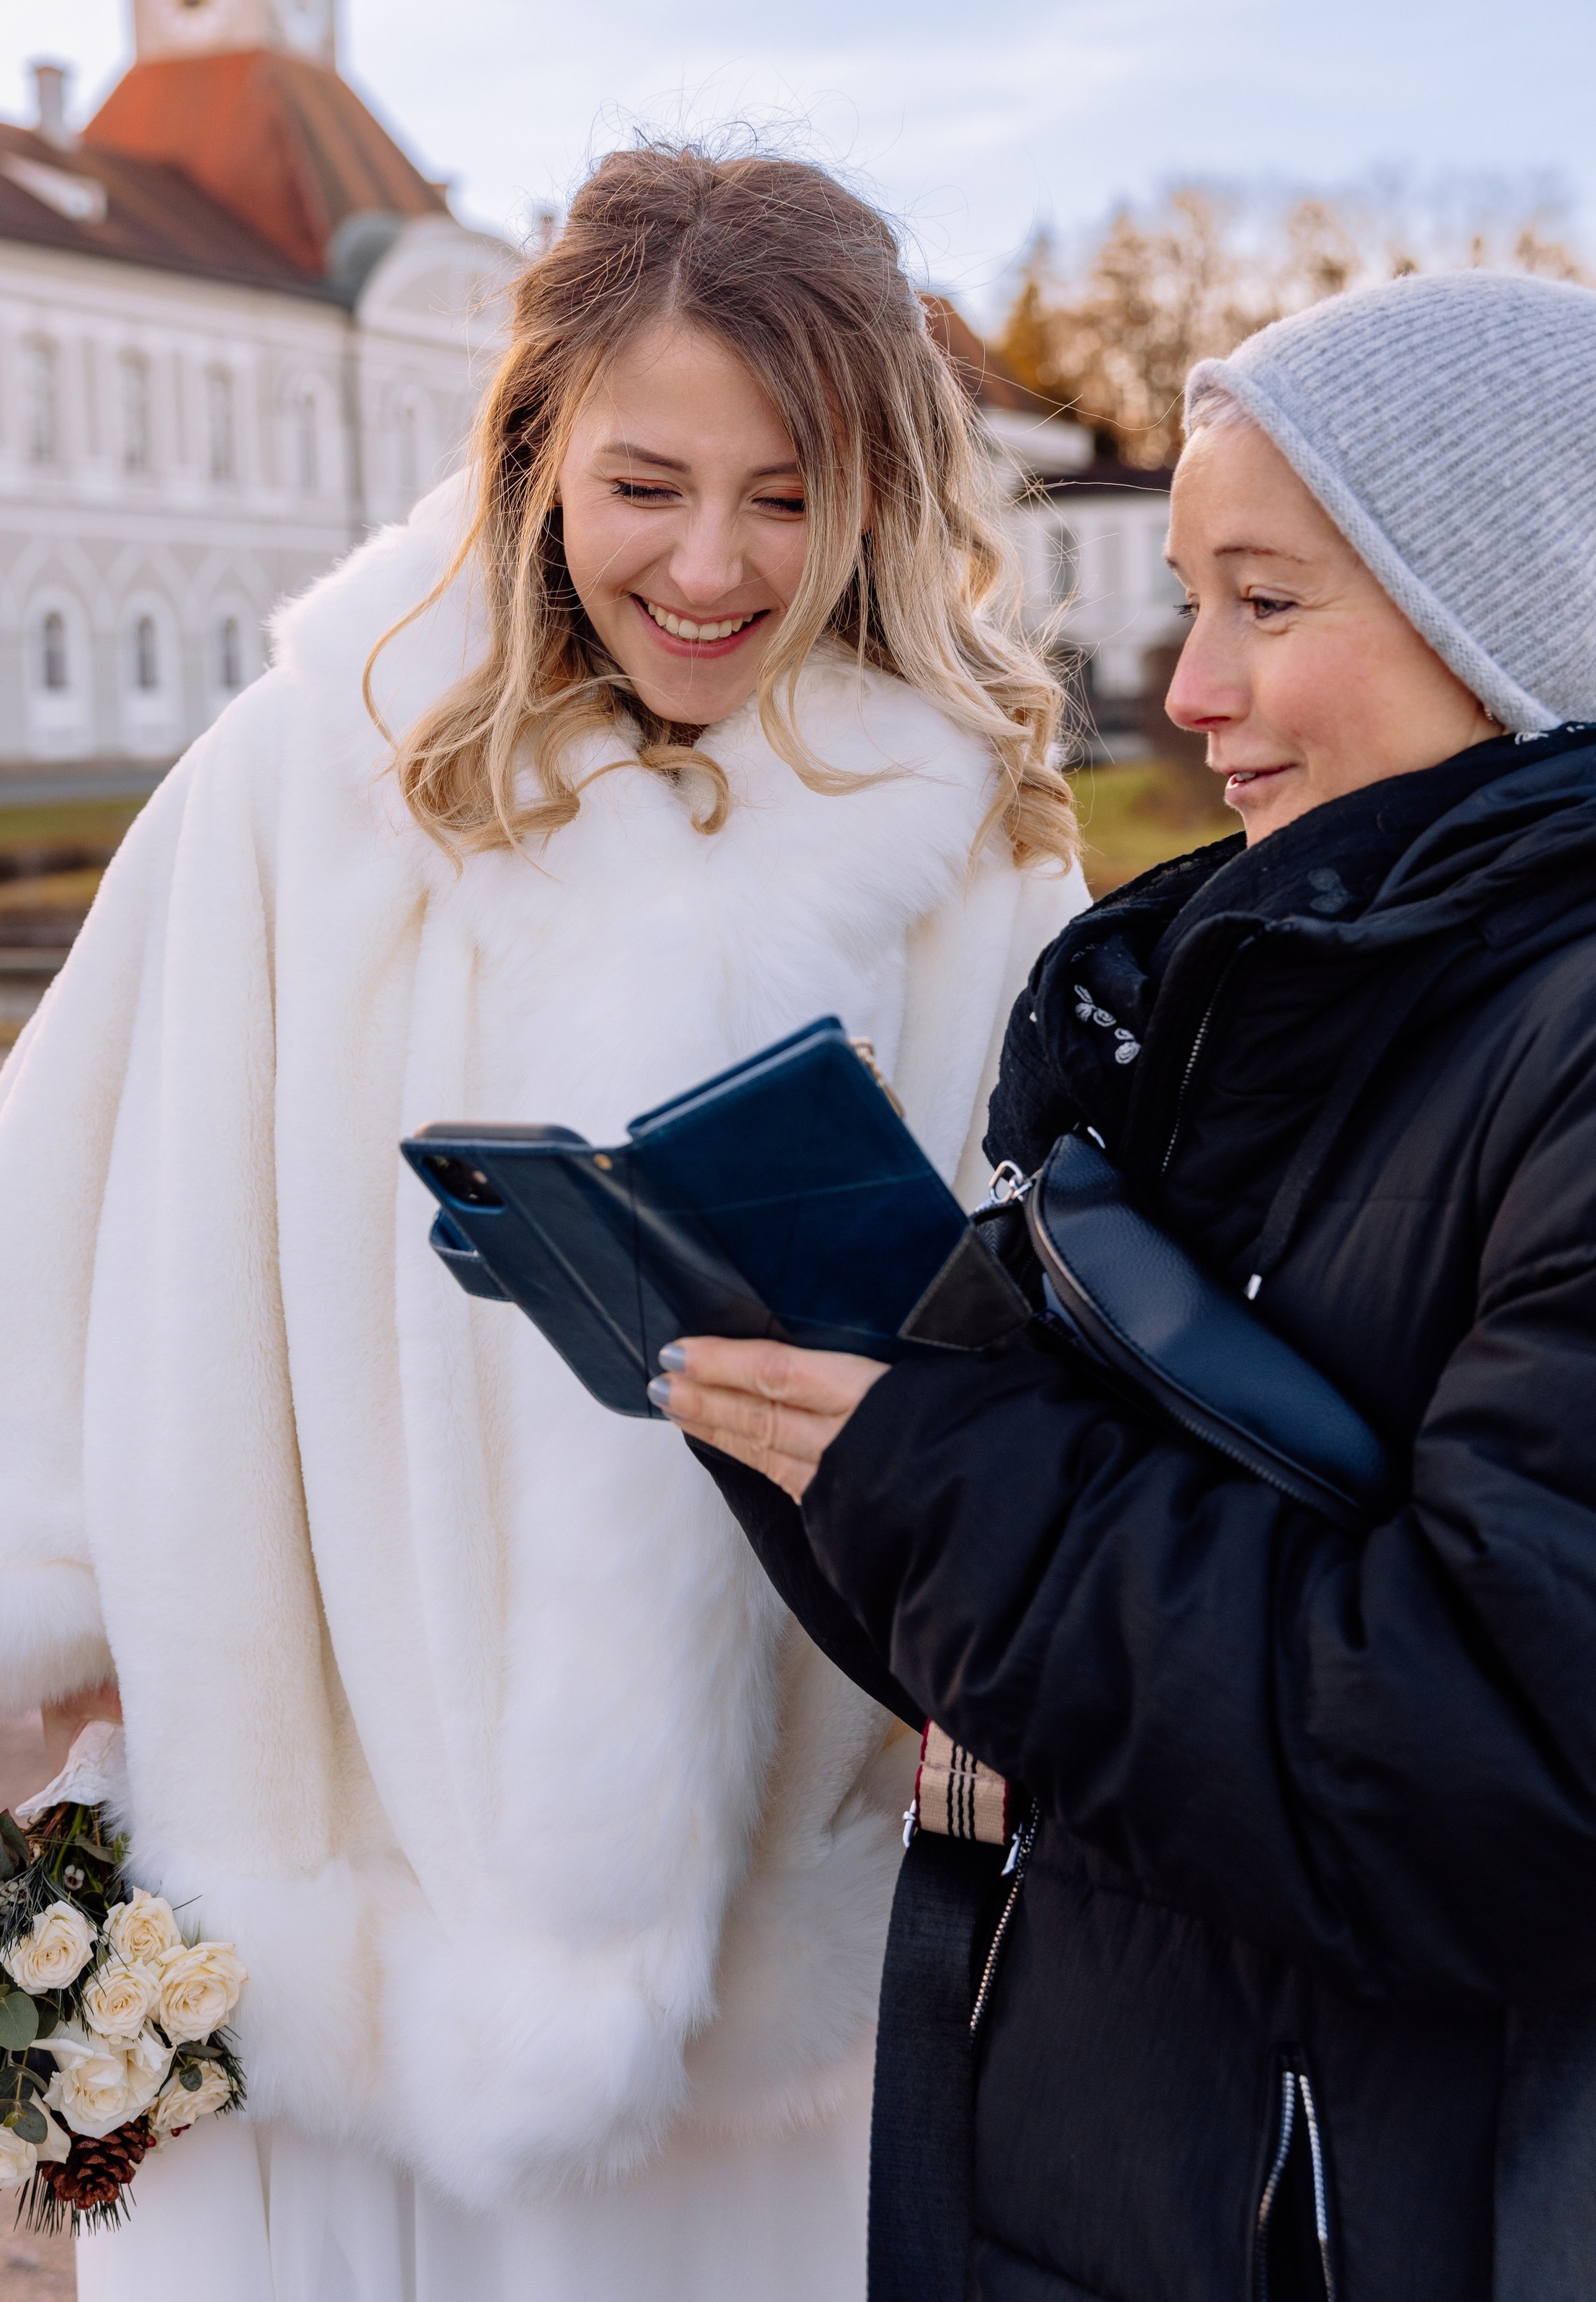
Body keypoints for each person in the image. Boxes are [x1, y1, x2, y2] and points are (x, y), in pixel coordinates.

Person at [0, 145, 1083, 2302]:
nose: (715, 567)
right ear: (539, 444)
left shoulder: (989, 857)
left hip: (785, 2002)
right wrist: (42, 1576)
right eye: (650, 481)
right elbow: (63, 1205)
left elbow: (1062, 1363)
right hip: (318, 1936)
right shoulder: (310, 779)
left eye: (789, 493)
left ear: (889, 496)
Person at [661, 269, 1596, 2302]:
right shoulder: (1267, 989)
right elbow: (1116, 1637)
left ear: (1511, 610)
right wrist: (845, 1440)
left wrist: (954, 1490)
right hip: (1151, 2171)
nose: (1185, 688)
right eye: (1194, 600)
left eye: (1267, 602)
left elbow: (1507, 1768)